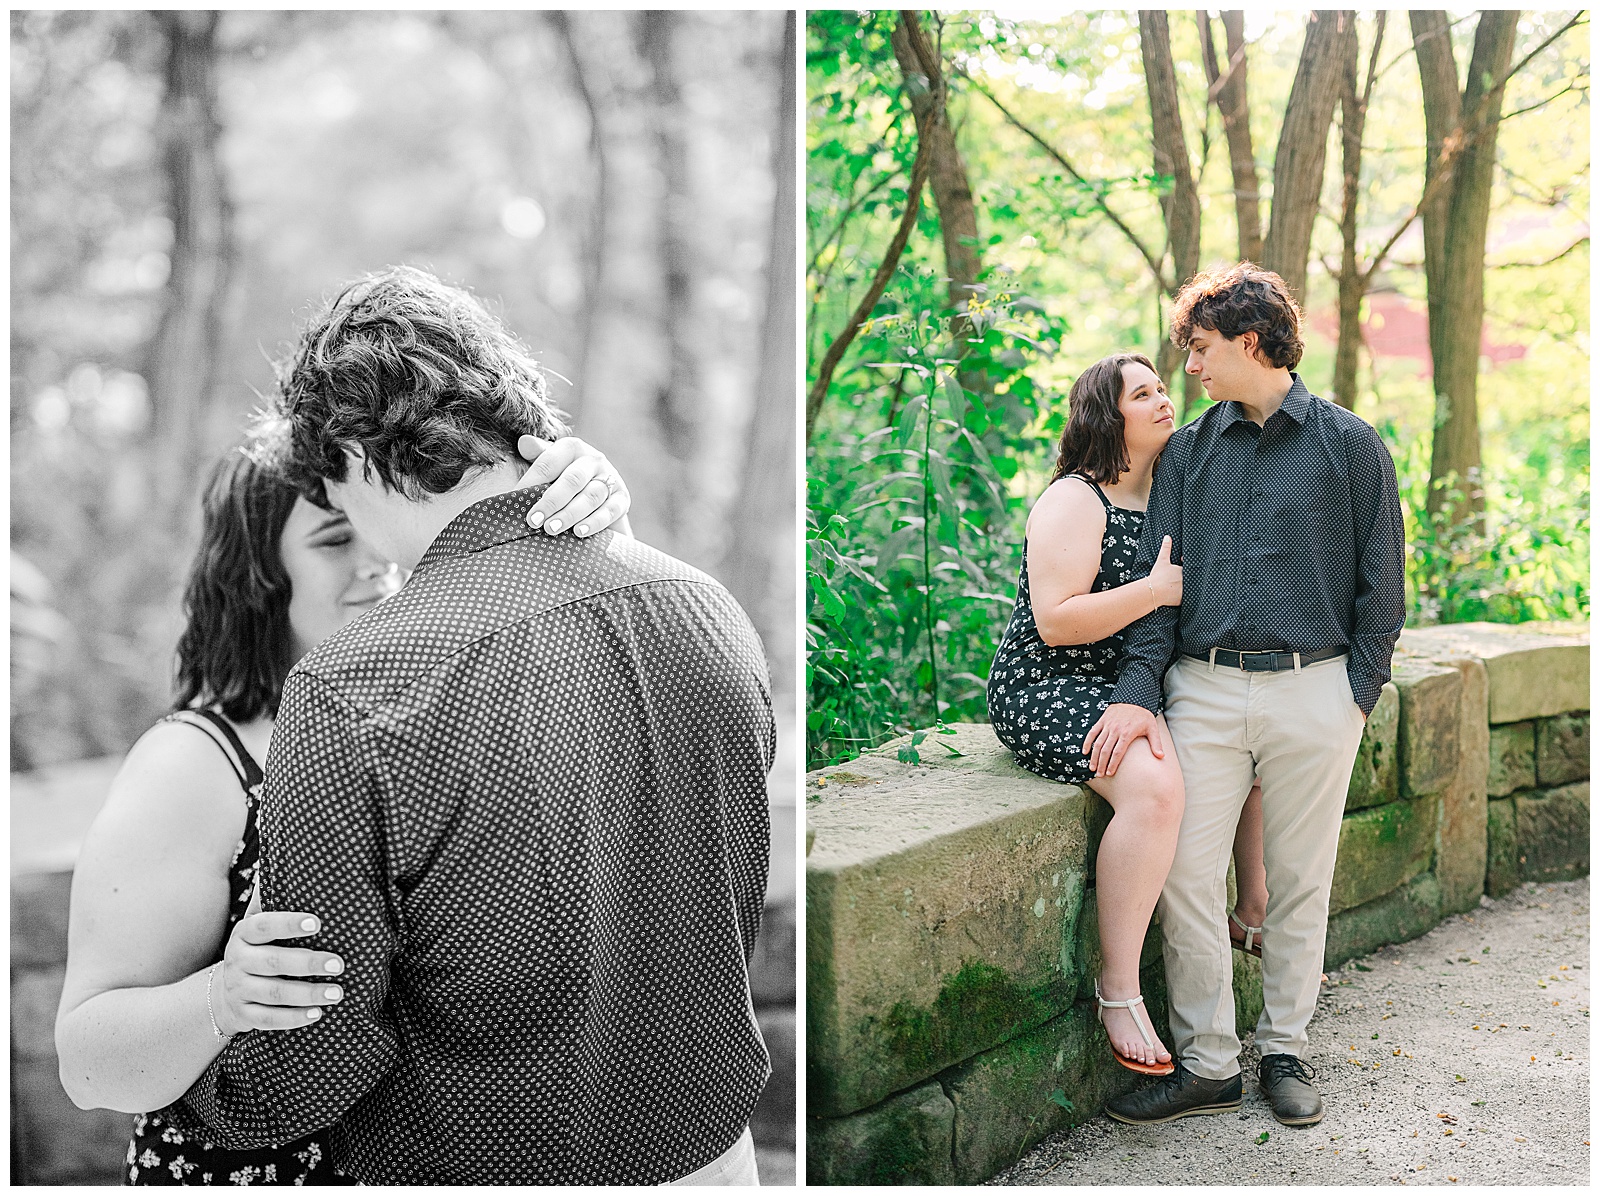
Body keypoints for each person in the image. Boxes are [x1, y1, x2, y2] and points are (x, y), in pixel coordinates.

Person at [173, 266, 774, 1185]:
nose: (359, 538)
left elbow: (319, 1047)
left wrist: (195, 1098)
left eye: (335, 501)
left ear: (356, 458)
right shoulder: (707, 607)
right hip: (714, 1154)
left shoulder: (350, 687)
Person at [55, 434, 632, 1186]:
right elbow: (86, 1063)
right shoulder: (193, 766)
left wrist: (591, 517)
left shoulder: (432, 716)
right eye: (334, 539)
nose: (381, 563)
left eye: (380, 525)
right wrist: (223, 996)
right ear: (259, 578)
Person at [1091, 263, 1404, 1128]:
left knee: (1302, 881)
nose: (1189, 365)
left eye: (1198, 347)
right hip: (1204, 690)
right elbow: (1160, 594)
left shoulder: (1351, 445)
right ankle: (1209, 1065)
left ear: (1250, 342)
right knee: (1186, 873)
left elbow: (1384, 587)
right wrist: (1137, 692)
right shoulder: (1188, 454)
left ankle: (1286, 1051)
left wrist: (1356, 696)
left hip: (1317, 692)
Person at [986, 353, 1271, 1075]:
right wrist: (1157, 590)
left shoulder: (1171, 496)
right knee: (1153, 786)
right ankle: (1119, 989)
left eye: (1161, 389)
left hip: (1135, 683)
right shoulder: (1076, 501)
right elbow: (1055, 622)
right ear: (1106, 418)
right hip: (1048, 682)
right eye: (1142, 394)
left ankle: (1255, 911)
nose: (1163, 400)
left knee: (1246, 733)